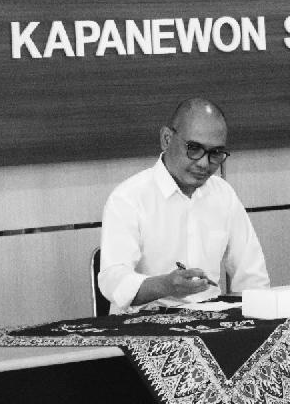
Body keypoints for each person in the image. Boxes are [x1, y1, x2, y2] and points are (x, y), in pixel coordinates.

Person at [99, 98, 269, 312]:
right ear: (166, 139)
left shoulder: (223, 195)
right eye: (194, 148)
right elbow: (113, 281)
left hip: (211, 319)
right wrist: (165, 286)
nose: (204, 163)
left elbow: (252, 277)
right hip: (143, 322)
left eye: (215, 153)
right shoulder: (128, 198)